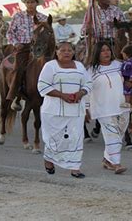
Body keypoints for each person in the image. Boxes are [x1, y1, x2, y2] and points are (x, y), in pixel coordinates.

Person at [37, 41, 92, 178]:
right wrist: (62, 96)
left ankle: (75, 167)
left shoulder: (79, 66)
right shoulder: (50, 66)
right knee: (54, 139)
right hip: (53, 110)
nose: (67, 52)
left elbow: (88, 83)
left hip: (75, 110)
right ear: (57, 52)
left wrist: (80, 93)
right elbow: (42, 86)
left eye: (69, 50)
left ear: (73, 52)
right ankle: (49, 160)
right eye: (63, 50)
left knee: (75, 138)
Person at [86, 41, 130, 174]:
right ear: (97, 54)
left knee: (120, 134)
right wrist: (86, 108)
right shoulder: (91, 70)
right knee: (112, 136)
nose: (106, 53)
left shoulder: (119, 65)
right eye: (103, 50)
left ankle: (107, 159)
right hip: (103, 108)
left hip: (122, 106)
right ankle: (116, 163)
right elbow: (86, 90)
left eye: (108, 50)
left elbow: (130, 82)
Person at [6, 0, 48, 110]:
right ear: (25, 4)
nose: (30, 4)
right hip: (23, 47)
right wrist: (16, 43)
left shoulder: (43, 18)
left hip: (39, 48)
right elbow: (10, 33)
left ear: (36, 4)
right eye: (28, 2)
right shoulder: (17, 16)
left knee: (52, 63)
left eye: (32, 2)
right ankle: (14, 94)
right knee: (18, 67)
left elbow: (47, 34)